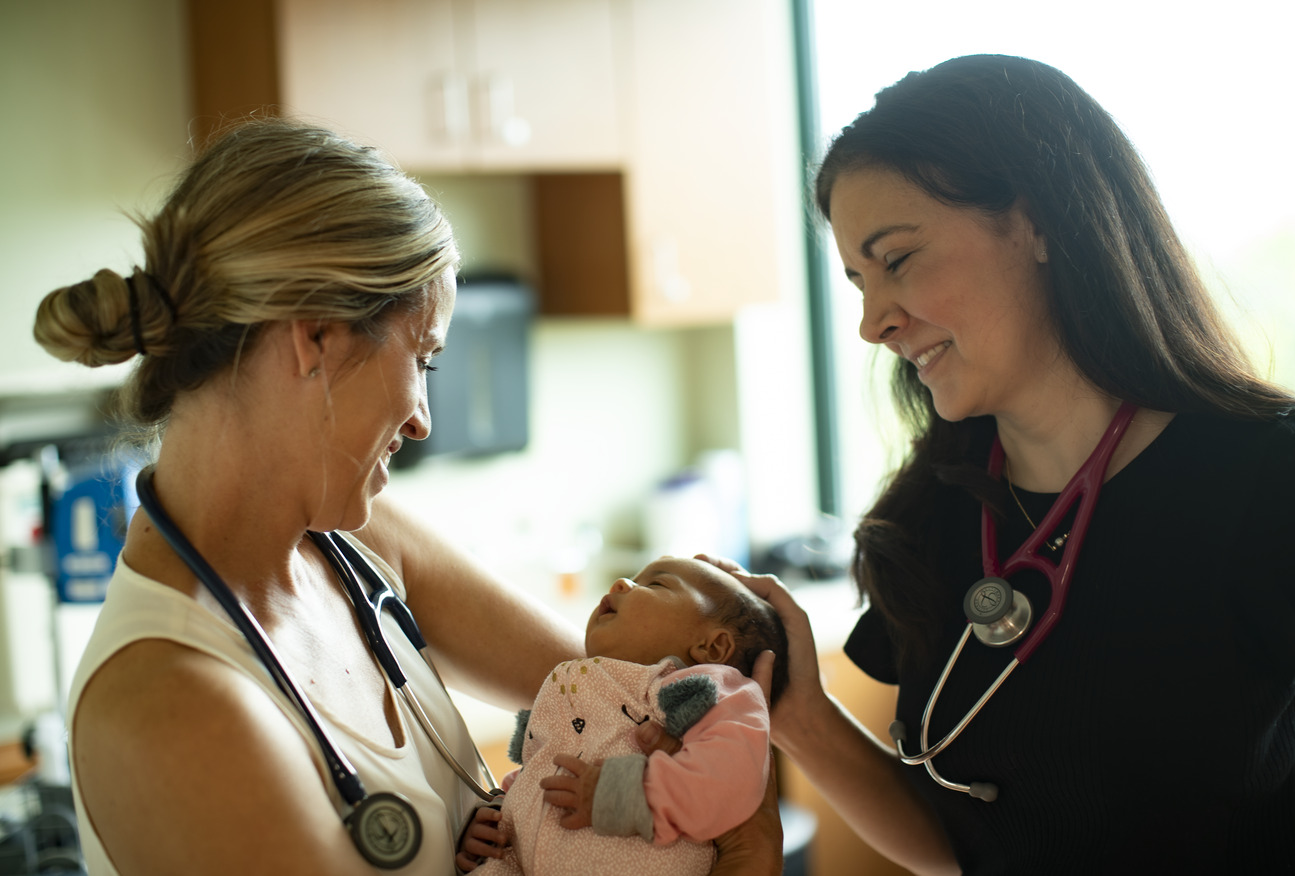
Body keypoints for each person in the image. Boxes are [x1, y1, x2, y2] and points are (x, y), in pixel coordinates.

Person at [32, 118, 783, 876]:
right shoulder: (176, 707)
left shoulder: (359, 543)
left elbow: (625, 690)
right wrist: (746, 854)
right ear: (315, 336)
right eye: (422, 357)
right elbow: (716, 800)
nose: (423, 419)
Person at [706, 54, 1295, 876]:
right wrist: (799, 715)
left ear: (1035, 222)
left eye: (896, 260)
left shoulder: (1274, 481)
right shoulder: (926, 521)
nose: (871, 322)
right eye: (855, 281)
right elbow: (957, 850)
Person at [457, 556, 789, 875]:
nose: (620, 583)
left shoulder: (704, 691)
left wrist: (620, 792)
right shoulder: (575, 686)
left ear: (712, 648)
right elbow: (544, 766)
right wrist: (499, 818)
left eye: (657, 584)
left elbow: (730, 776)